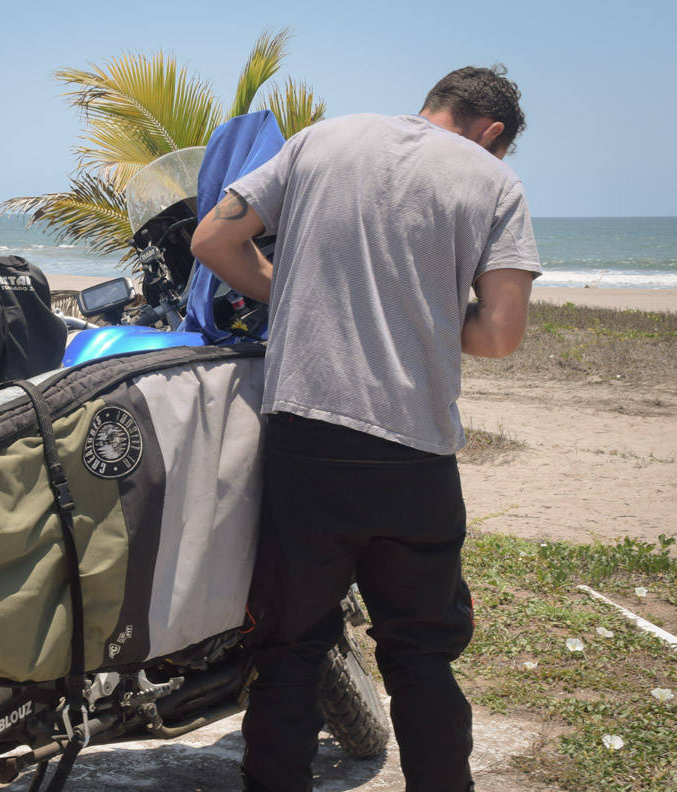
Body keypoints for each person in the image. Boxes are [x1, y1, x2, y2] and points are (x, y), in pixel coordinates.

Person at [189, 65, 541, 792]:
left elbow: (212, 244)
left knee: (289, 646)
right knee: (420, 653)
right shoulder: (492, 181)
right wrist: (432, 321)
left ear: (434, 102)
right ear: (493, 132)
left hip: (307, 442)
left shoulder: (322, 140)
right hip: (415, 455)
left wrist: (290, 293)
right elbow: (502, 334)